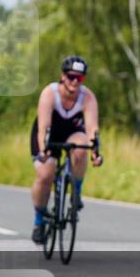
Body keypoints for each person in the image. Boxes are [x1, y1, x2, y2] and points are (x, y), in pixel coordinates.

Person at [29, 55, 103, 243]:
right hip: (49, 134)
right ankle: (39, 220)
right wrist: (44, 150)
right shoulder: (49, 93)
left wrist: (95, 152)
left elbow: (92, 128)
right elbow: (44, 126)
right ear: (62, 76)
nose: (75, 82)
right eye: (71, 77)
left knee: (81, 148)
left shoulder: (87, 97)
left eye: (80, 78)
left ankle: (76, 191)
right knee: (45, 176)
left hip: (72, 132)